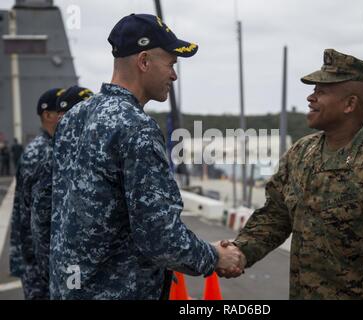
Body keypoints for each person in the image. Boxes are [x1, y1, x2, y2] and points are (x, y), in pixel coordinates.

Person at [49, 13, 244, 300]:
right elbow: (160, 238)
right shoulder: (135, 127)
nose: (174, 75)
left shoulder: (75, 116)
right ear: (144, 62)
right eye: (171, 64)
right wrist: (214, 256)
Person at [220, 49, 363, 299]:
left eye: (321, 92)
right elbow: (276, 216)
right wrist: (241, 252)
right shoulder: (301, 153)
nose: (310, 97)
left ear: (350, 104)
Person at [30, 85, 94, 299]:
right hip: (70, 267)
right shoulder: (51, 158)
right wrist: (51, 269)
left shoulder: (91, 153)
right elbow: (40, 221)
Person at [9, 87, 66, 299]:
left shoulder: (50, 147)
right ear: (47, 115)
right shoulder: (40, 152)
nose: (64, 114)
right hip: (35, 259)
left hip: (38, 256)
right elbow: (34, 215)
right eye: (59, 110)